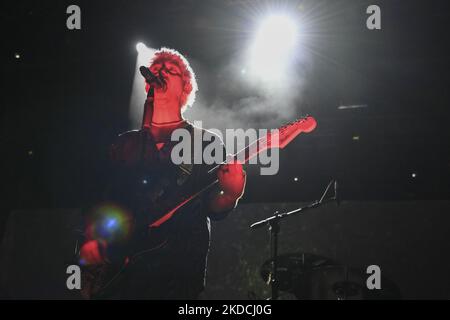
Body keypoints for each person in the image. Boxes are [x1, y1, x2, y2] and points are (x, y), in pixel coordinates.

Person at [79, 47, 246, 299]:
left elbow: (212, 206)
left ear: (185, 87)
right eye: (157, 69)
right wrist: (91, 244)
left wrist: (232, 193)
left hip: (176, 270)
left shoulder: (205, 142)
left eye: (171, 70)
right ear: (147, 86)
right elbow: (103, 200)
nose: (161, 72)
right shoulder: (126, 144)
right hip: (120, 272)